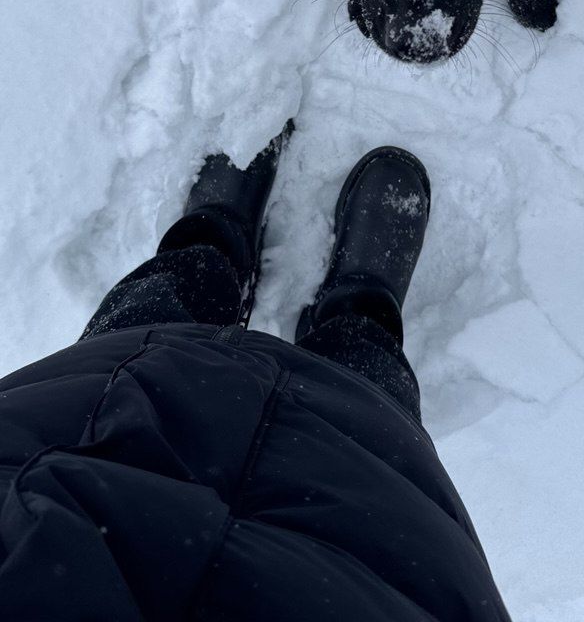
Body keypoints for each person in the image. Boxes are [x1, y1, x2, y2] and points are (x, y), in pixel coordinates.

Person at [0, 125, 512, 620]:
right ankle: (359, 309)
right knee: (363, 402)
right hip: (354, 573)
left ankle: (212, 247)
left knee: (148, 334)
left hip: (63, 498)